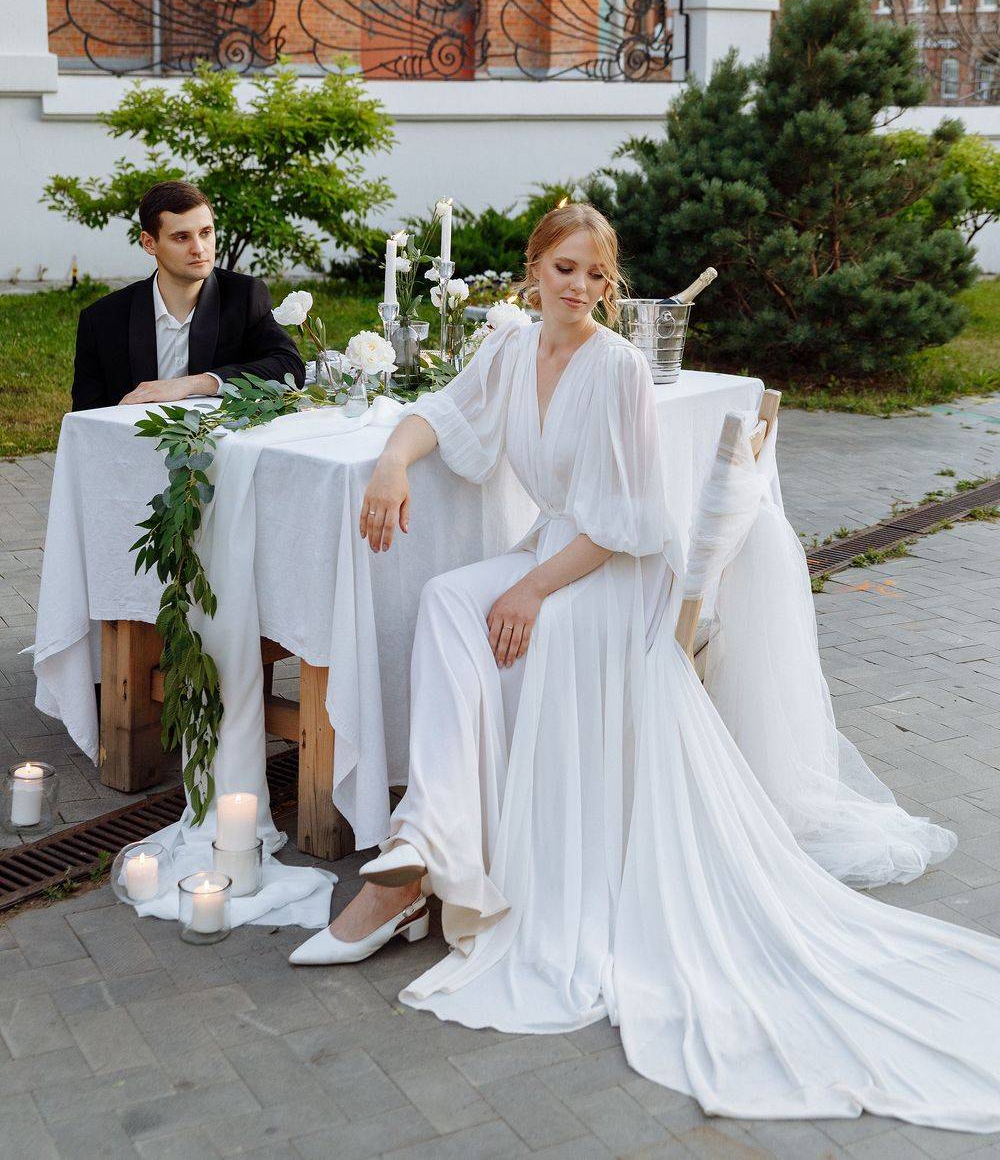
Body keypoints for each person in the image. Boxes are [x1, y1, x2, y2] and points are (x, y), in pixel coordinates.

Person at [291, 203, 1000, 1132]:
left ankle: (411, 875)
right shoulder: (507, 349)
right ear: (533, 270)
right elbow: (439, 414)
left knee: (509, 612)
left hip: (614, 572)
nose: (581, 289)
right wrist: (391, 463)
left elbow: (627, 525)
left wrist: (532, 588)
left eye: (597, 275)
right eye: (565, 269)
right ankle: (430, 846)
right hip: (558, 549)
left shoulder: (620, 368)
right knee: (446, 601)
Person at [70, 181, 304, 411]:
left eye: (206, 233)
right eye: (182, 237)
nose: (199, 249)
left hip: (222, 435)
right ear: (149, 243)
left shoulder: (244, 296)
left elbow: (289, 366)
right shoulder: (103, 320)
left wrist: (195, 383)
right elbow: (85, 419)